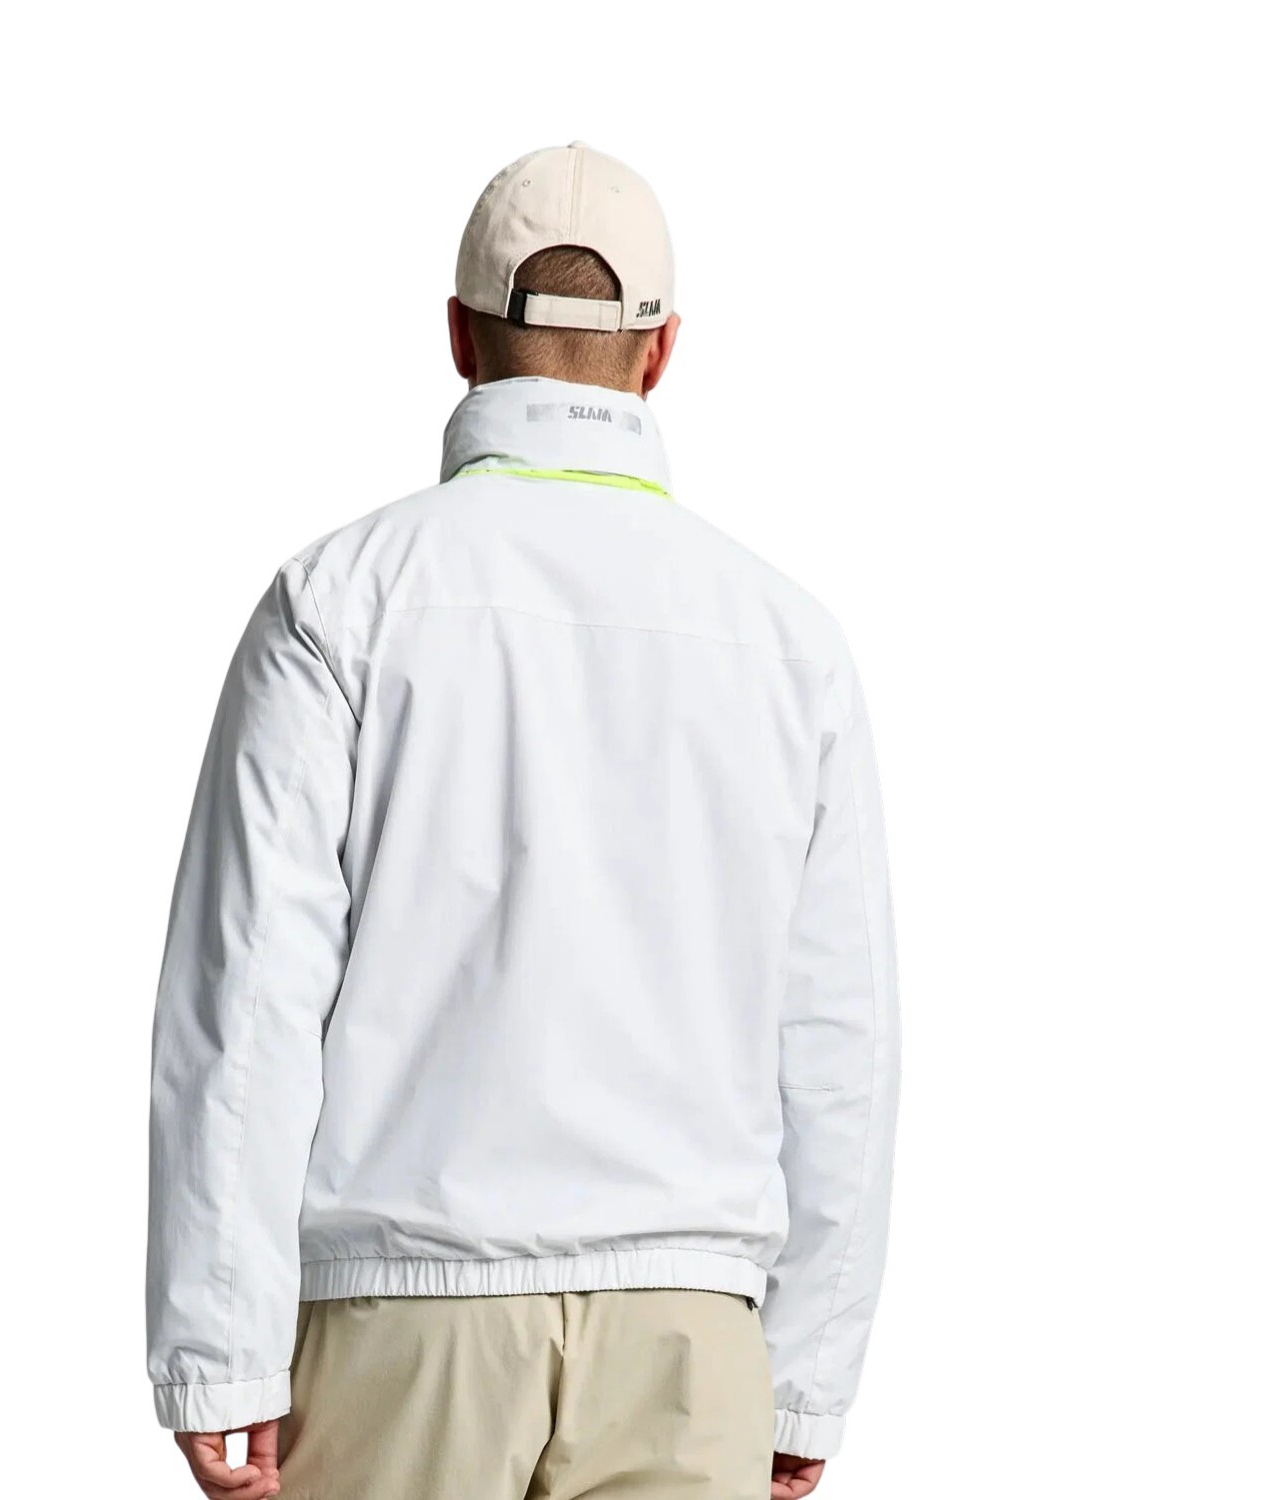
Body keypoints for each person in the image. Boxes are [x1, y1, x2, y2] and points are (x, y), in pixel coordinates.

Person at [146, 141, 900, 1500]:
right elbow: (840, 1041)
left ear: (457, 336)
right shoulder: (791, 643)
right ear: (661, 353)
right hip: (692, 1338)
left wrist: (222, 1358)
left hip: (402, 1324)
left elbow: (248, 1000)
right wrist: (807, 1375)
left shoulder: (340, 603)